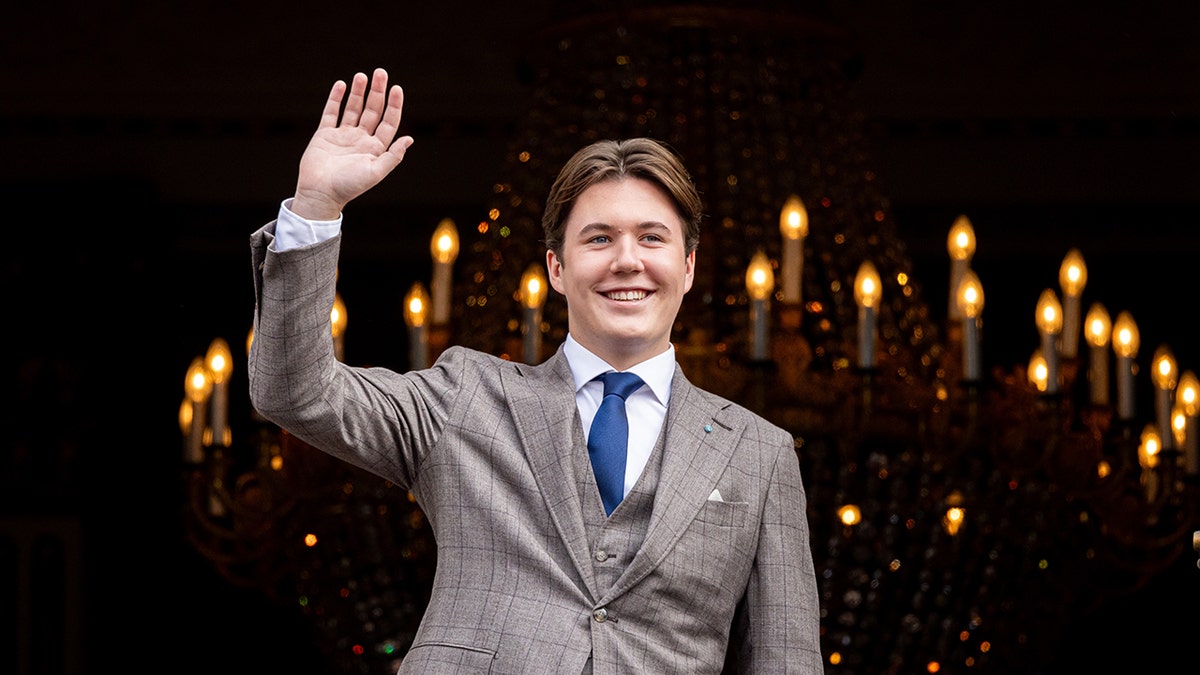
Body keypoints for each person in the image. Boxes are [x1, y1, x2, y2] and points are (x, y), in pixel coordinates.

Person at [248, 67, 822, 674]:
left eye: (652, 239)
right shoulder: (464, 397)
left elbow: (786, 659)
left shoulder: (761, 452)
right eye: (598, 239)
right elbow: (295, 392)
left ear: (687, 267)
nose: (627, 261)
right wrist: (317, 207)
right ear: (555, 267)